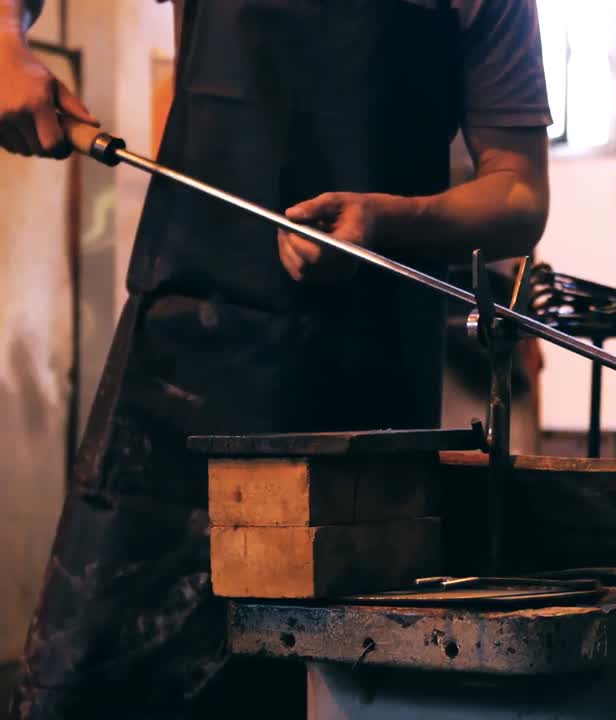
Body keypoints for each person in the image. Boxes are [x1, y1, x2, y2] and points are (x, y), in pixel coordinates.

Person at [0, 0, 550, 717]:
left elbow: (519, 190)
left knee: (326, 689)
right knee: (101, 685)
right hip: (183, 372)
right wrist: (7, 41)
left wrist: (390, 223)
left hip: (367, 393)